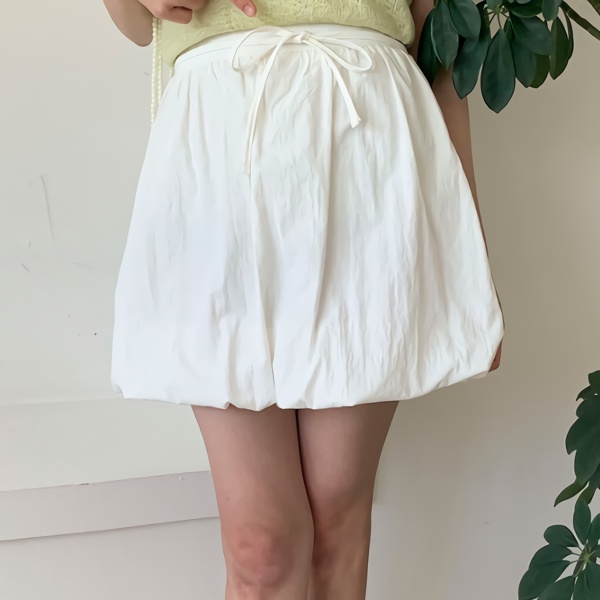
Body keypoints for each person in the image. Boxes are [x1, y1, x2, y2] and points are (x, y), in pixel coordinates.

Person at [104, 0, 504, 597]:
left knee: (338, 519)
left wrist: (469, 249)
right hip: (219, 154)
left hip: (368, 150)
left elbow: (441, 49)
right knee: (260, 547)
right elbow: (139, 27)